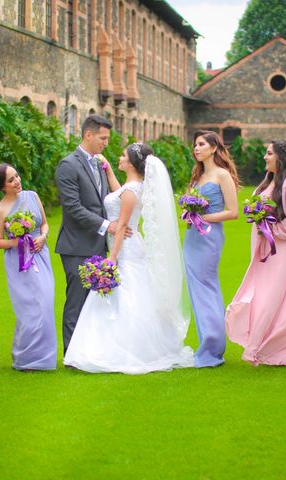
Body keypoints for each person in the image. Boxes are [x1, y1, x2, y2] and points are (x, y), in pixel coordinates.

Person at [64, 144, 194, 373]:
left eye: (123, 155)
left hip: (125, 249)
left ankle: (125, 348)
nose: (119, 157)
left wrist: (111, 260)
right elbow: (118, 195)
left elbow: (122, 224)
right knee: (127, 295)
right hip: (130, 246)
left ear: (132, 163)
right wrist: (109, 171)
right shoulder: (133, 187)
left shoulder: (132, 191)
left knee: (127, 296)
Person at [226, 140, 286, 366]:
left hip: (283, 249)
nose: (265, 157)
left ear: (281, 157)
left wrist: (271, 230)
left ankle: (267, 345)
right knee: (265, 295)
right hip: (269, 248)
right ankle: (262, 344)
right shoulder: (273, 181)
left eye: (269, 153)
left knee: (279, 296)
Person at [55, 115, 130, 353]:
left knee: (94, 304)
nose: (106, 142)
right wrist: (107, 226)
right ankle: (70, 354)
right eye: (103, 137)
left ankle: (89, 351)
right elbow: (73, 208)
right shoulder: (68, 165)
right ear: (88, 135)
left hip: (97, 246)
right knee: (76, 302)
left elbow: (103, 201)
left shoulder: (98, 163)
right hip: (76, 246)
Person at [0, 163, 57, 371]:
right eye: (11, 180)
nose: (17, 182)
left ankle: (45, 359)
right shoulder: (0, 210)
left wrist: (43, 236)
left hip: (40, 255)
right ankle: (24, 358)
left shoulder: (32, 196)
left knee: (46, 303)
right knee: (28, 308)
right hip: (18, 261)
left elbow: (44, 223)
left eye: (17, 176)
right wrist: (20, 242)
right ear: (2, 186)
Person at [182, 130, 239, 368]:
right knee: (197, 289)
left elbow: (233, 212)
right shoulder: (197, 177)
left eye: (202, 144)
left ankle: (213, 347)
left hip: (210, 236)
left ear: (214, 148)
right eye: (195, 145)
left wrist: (205, 218)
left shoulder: (222, 175)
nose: (197, 148)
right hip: (192, 237)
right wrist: (189, 214)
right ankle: (208, 343)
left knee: (207, 286)